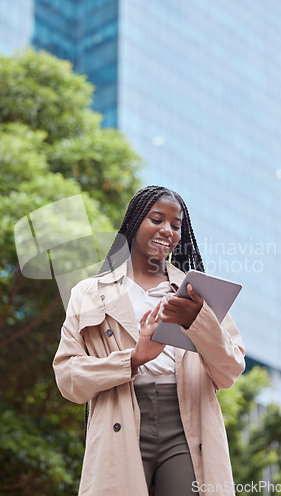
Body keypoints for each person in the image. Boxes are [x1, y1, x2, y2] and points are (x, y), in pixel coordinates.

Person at [53, 185, 245, 496]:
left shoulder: (197, 293)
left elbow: (230, 371)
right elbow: (68, 378)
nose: (167, 230)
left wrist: (196, 321)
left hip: (186, 424)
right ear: (133, 223)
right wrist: (133, 359)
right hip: (120, 418)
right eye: (157, 219)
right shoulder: (88, 293)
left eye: (175, 224)